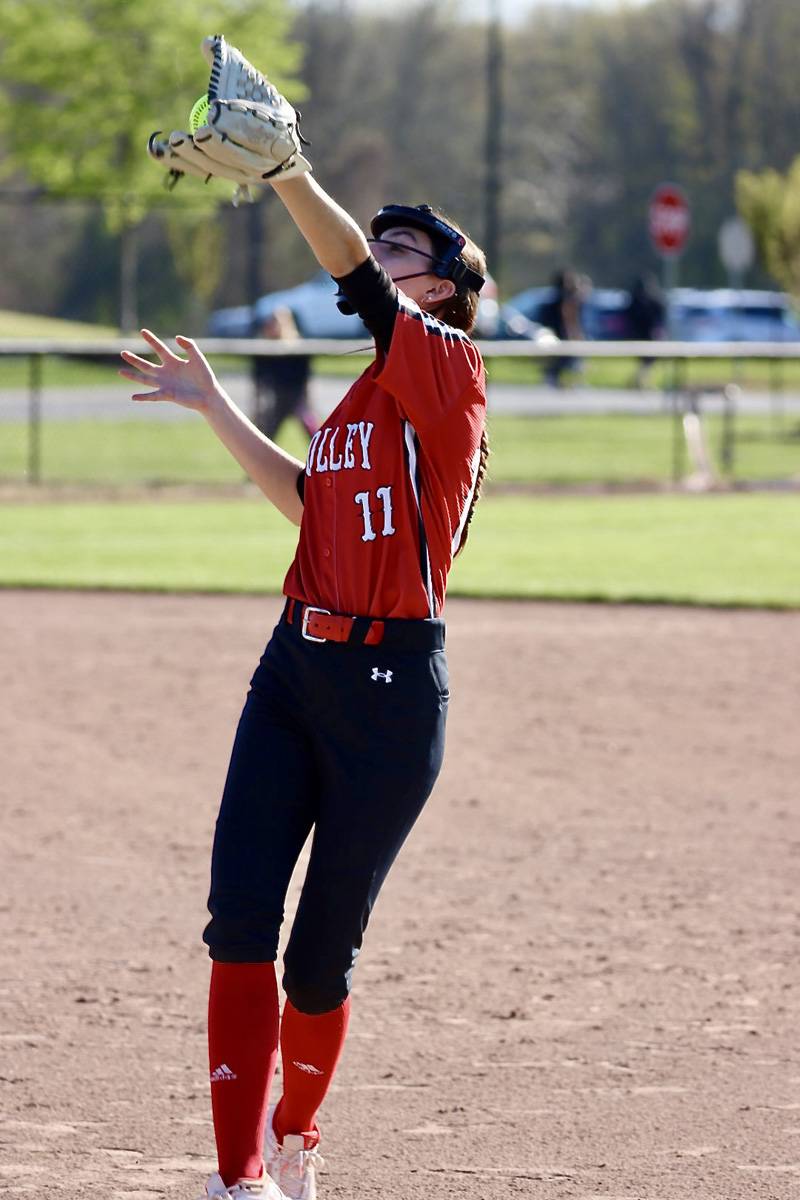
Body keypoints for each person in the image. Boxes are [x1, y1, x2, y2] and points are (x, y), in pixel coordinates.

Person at [120, 180, 488, 1198]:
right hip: (293, 668)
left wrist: (289, 173)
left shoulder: (447, 370)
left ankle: (296, 1137)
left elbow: (358, 283)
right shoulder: (362, 400)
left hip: (390, 694)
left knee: (319, 958)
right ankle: (239, 1181)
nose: (378, 255)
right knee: (238, 918)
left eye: (402, 248)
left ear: (451, 289)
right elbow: (307, 501)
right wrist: (215, 408)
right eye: (380, 244)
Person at [251, 307, 318, 442]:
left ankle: (324, 455)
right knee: (267, 435)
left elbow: (305, 374)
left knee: (311, 430)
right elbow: (259, 377)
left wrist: (306, 398)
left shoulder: (298, 346)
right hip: (277, 396)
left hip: (296, 395)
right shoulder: (263, 349)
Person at [538, 268, 585, 387]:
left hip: (565, 338)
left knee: (571, 362)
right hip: (558, 337)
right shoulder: (555, 304)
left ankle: (571, 382)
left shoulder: (573, 302)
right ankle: (554, 378)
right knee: (561, 361)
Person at [625, 274, 666, 389]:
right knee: (646, 362)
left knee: (647, 362)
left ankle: (639, 381)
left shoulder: (646, 300)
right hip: (642, 335)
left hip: (645, 335)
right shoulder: (637, 301)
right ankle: (640, 382)